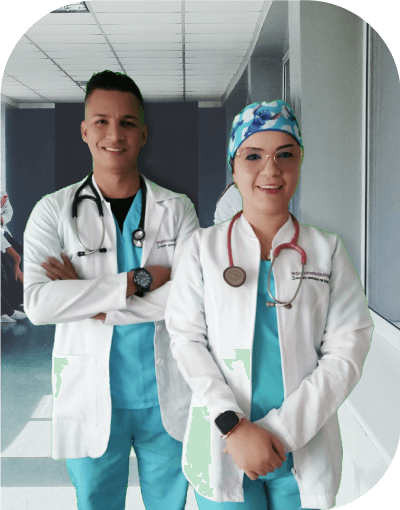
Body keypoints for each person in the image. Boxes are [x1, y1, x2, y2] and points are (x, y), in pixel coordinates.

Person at [165, 100, 373, 509]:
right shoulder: (201, 249)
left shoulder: (327, 251)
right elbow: (186, 341)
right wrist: (233, 425)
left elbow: (347, 352)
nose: (271, 169)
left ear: (300, 161)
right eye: (253, 156)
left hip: (303, 444)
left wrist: (280, 433)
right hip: (225, 444)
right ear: (233, 165)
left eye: (285, 155)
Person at [24, 70, 199, 510]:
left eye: (126, 123)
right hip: (89, 390)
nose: (114, 134)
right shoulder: (53, 212)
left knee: (169, 503)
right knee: (96, 502)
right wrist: (137, 281)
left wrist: (92, 302)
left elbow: (192, 299)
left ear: (143, 133)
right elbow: (40, 305)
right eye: (101, 121)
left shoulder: (177, 210)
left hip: (167, 392)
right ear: (85, 131)